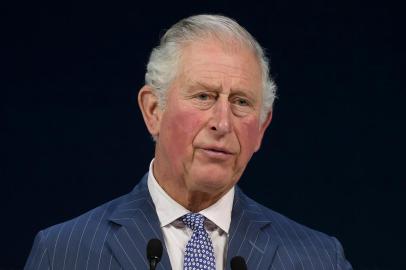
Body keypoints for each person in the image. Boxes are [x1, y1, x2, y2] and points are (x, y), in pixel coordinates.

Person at [24, 14, 352, 270]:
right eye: (203, 96)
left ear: (262, 128)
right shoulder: (65, 252)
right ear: (153, 110)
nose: (222, 123)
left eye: (241, 102)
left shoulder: (319, 258)